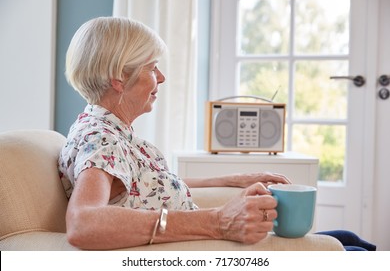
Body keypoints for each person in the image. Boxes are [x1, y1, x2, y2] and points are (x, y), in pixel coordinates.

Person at [58, 16, 375, 251]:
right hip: (200, 249)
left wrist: (233, 179)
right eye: (152, 67)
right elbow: (84, 221)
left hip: (202, 242)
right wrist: (219, 221)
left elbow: (141, 188)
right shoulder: (100, 137)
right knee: (350, 250)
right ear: (118, 78)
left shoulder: (113, 132)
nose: (162, 77)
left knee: (347, 240)